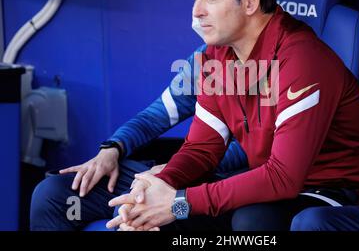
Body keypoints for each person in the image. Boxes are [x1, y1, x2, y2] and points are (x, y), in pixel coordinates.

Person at [105, 0, 359, 232]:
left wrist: (178, 202)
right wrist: (159, 187)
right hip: (281, 190)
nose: (196, 11)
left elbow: (283, 177)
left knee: (248, 221)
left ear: (250, 2)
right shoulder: (216, 56)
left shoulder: (302, 59)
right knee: (158, 218)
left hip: (350, 199)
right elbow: (201, 149)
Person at [29, 43, 248, 231]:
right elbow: (156, 116)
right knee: (51, 196)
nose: (198, 11)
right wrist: (112, 149)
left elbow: (256, 149)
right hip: (178, 169)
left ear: (249, 3)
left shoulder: (274, 60)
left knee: (134, 209)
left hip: (229, 183)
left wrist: (176, 170)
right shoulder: (207, 57)